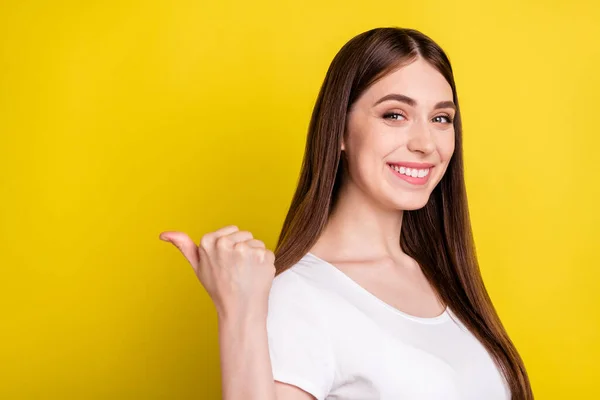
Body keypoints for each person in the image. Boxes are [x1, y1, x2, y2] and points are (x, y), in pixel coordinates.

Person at [159, 27, 533, 400]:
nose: (425, 144)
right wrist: (239, 311)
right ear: (339, 129)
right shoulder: (297, 296)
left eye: (441, 119)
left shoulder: (442, 275)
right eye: (394, 115)